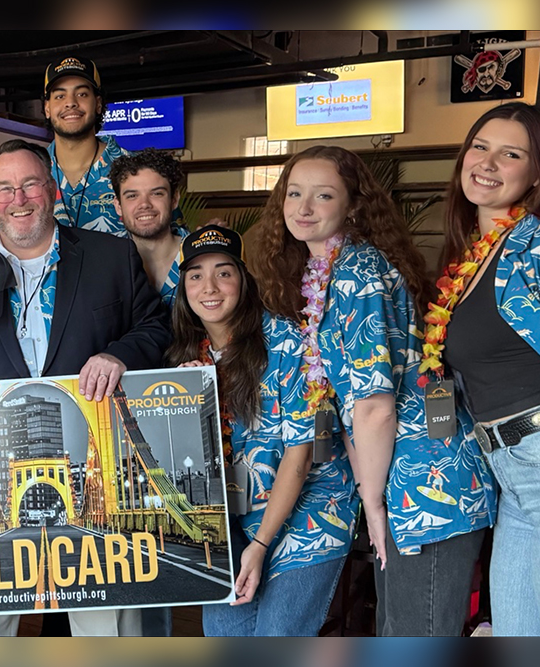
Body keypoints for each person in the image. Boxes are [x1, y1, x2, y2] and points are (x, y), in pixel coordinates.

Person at [0, 139, 170, 636]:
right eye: (5, 188)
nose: (18, 198)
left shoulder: (111, 256)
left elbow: (155, 328)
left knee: (106, 627)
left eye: (29, 184)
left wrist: (118, 355)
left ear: (49, 190)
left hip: (95, 471)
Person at [253, 145, 496, 637]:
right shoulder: (328, 273)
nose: (303, 208)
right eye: (294, 193)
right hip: (402, 479)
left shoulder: (358, 271)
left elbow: (374, 408)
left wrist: (372, 502)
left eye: (323, 196)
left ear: (353, 206)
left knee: (414, 637)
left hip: (425, 486)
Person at [167, 225, 356, 636]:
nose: (209, 286)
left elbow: (300, 455)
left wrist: (261, 544)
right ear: (183, 289)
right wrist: (184, 408)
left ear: (243, 280)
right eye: (195, 275)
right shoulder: (187, 357)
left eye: (224, 272)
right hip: (235, 520)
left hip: (309, 510)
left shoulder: (284, 342)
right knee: (224, 636)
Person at [431, 102, 540, 636]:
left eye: (511, 153)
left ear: (535, 173)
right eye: (480, 146)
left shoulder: (533, 247)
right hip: (512, 477)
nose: (488, 162)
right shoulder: (475, 254)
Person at [43, 55, 129, 237]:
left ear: (98, 104)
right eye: (59, 96)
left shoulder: (135, 169)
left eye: (82, 94)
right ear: (47, 108)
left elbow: (170, 245)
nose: (70, 102)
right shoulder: (31, 172)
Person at [110, 148, 189, 309]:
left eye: (156, 194)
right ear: (118, 206)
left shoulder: (201, 253)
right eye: (132, 196)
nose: (144, 204)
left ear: (174, 199)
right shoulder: (102, 260)